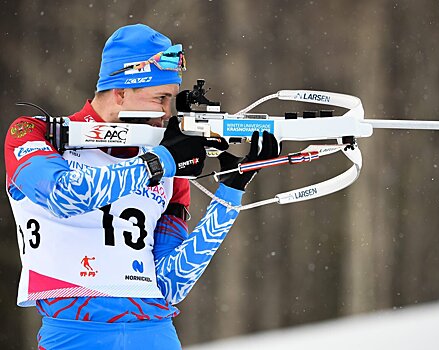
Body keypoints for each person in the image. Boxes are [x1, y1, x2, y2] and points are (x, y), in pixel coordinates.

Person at [4, 24, 278, 349]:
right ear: (120, 94)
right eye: (160, 99)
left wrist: (230, 194)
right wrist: (160, 163)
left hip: (156, 335)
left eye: (171, 101)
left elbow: (170, 285)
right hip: (74, 335)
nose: (166, 114)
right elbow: (64, 195)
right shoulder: (35, 133)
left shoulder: (163, 156)